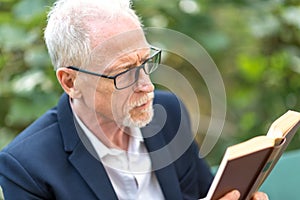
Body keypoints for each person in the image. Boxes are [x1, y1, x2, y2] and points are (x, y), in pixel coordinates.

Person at [0, 0, 269, 199]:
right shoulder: (26, 167)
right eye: (123, 73)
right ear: (71, 82)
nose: (146, 86)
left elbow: (203, 193)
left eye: (145, 61)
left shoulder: (169, 113)